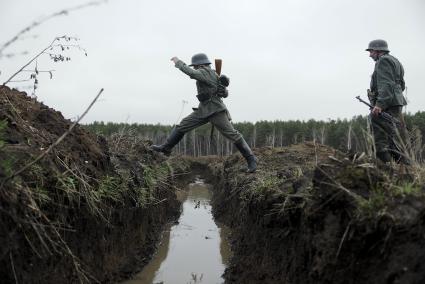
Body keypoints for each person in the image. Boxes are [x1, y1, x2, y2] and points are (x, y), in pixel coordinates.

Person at [152, 53, 257, 173]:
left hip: (215, 110)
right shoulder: (212, 73)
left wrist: (178, 62)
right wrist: (224, 91)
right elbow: (224, 92)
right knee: (183, 125)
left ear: (200, 65)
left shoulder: (205, 71)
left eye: (195, 66)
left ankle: (251, 160)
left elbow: (191, 73)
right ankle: (166, 148)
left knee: (233, 134)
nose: (194, 68)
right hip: (204, 109)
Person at [366, 39, 408, 163]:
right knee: (393, 137)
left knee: (380, 137)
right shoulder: (396, 61)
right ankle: (404, 166)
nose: (370, 54)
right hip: (395, 102)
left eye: (371, 51)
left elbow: (386, 84)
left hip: (387, 104)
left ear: (378, 50)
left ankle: (385, 166)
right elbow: (401, 84)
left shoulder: (383, 61)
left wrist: (379, 104)